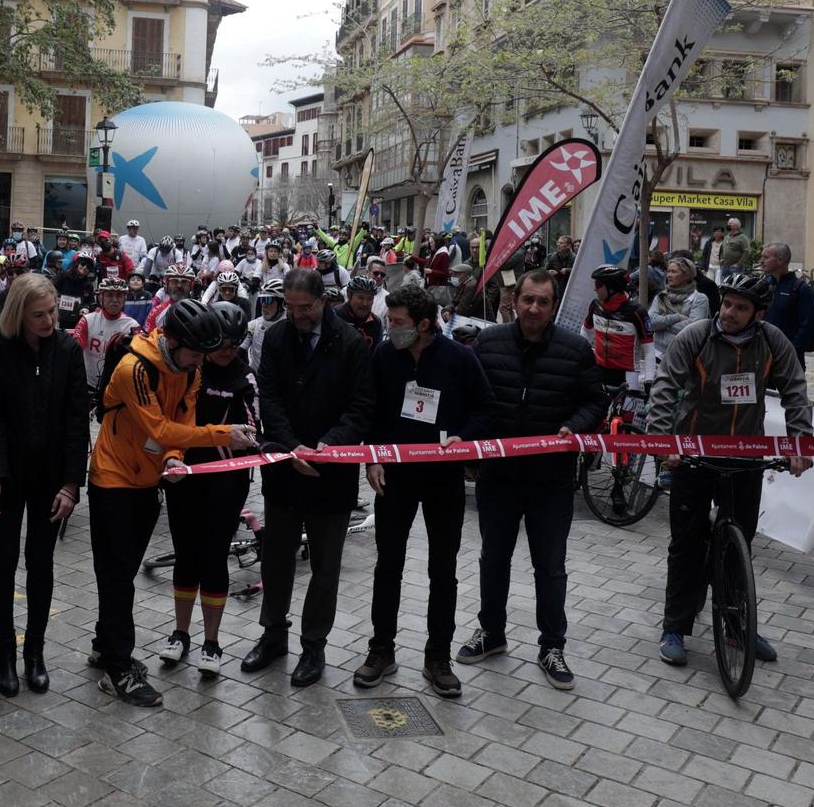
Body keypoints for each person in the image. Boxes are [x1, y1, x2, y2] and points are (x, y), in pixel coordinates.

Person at [91, 300, 255, 706]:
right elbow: (161, 426)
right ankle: (118, 669)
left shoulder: (189, 370)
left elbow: (179, 428)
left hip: (149, 481)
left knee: (122, 571)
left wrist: (172, 459)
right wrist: (223, 434)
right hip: (112, 479)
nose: (202, 362)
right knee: (116, 576)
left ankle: (103, 645)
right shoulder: (134, 369)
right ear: (174, 341)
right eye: (196, 353)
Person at [647, 272, 813, 668]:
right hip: (692, 453)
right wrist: (662, 443)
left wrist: (799, 444)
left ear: (758, 313)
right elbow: (666, 387)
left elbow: (795, 391)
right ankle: (676, 626)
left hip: (745, 456)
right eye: (727, 304)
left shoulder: (773, 341)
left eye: (741, 307)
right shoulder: (698, 336)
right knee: (686, 545)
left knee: (739, 545)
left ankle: (737, 626)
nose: (730, 313)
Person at [460, 270, 603, 688]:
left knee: (550, 566)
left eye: (543, 301)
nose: (534, 309)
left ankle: (552, 646)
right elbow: (472, 398)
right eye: (528, 300)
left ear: (553, 305)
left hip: (552, 478)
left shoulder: (576, 350)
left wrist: (574, 427)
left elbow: (595, 400)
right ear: (515, 300)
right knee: (494, 557)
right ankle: (491, 633)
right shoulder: (489, 343)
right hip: (499, 475)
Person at [355, 285, 493, 698]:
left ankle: (438, 657)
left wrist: (464, 439)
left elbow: (486, 408)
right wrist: (372, 458)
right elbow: (370, 411)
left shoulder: (460, 359)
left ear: (425, 325)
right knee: (388, 566)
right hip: (394, 476)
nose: (390, 329)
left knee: (442, 570)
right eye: (389, 321)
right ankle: (381, 650)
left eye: (397, 323)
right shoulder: (385, 355)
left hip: (442, 479)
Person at [245, 268, 374, 687]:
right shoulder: (277, 338)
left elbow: (360, 407)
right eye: (290, 306)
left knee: (324, 566)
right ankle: (272, 635)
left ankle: (314, 645)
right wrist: (290, 446)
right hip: (285, 469)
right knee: (277, 558)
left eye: (305, 307)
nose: (297, 314)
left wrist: (326, 447)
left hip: (331, 473)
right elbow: (270, 397)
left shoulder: (351, 343)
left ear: (323, 301)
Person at [0, 274, 91, 696]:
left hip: (51, 479)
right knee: (4, 564)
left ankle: (34, 652)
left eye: (53, 310)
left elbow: (78, 421)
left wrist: (70, 484)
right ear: (19, 314)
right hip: (7, 477)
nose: (49, 319)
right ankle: (4, 652)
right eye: (39, 314)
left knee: (40, 563)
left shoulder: (67, 349)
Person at [158, 302, 258, 680]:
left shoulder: (245, 378)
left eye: (234, 345)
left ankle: (212, 642)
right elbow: (168, 420)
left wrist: (228, 442)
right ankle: (180, 633)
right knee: (186, 556)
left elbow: (252, 433)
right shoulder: (188, 370)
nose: (226, 351)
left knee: (214, 558)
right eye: (221, 344)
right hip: (183, 476)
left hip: (227, 482)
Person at [586, 264, 650, 390]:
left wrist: (649, 380)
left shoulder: (636, 312)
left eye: (598, 285)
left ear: (612, 288)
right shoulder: (595, 305)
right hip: (599, 370)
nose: (595, 289)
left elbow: (648, 349)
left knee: (625, 410)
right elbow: (586, 331)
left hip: (627, 375)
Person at [760, 243, 814, 363]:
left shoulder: (801, 290)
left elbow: (807, 326)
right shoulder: (763, 285)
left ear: (780, 260)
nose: (761, 261)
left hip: (788, 359)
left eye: (766, 257)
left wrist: (790, 351)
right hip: (762, 356)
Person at [75, 277, 140, 387]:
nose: (115, 300)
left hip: (116, 387)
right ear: (100, 299)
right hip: (87, 383)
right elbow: (75, 352)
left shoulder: (132, 326)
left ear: (124, 299)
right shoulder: (87, 320)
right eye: (109, 295)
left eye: (119, 295)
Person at [648, 257, 708, 340]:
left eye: (674, 272)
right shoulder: (661, 296)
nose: (669, 275)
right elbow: (650, 322)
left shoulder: (699, 298)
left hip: (684, 350)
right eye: (668, 271)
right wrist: (677, 317)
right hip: (657, 350)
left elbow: (693, 329)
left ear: (686, 276)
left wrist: (661, 325)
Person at [337, 276, 383, 347]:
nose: (365, 303)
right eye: (360, 298)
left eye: (370, 298)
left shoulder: (376, 323)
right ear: (349, 296)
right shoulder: (335, 315)